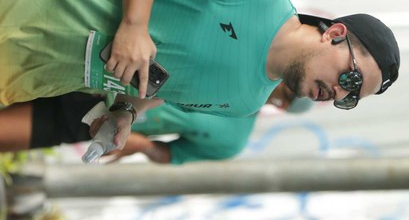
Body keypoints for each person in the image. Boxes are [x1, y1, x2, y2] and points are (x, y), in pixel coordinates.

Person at [0, 0, 400, 148]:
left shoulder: (246, 103)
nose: (338, 93)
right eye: (350, 77)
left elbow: (161, 87)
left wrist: (125, 112)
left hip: (26, 74)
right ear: (334, 34)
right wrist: (135, 25)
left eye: (350, 98)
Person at [0, 83, 313, 164]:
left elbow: (172, 155)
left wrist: (142, 146)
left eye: (286, 92)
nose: (277, 85)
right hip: (95, 74)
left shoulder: (233, 139)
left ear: (283, 106)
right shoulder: (235, 58)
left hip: (95, 120)